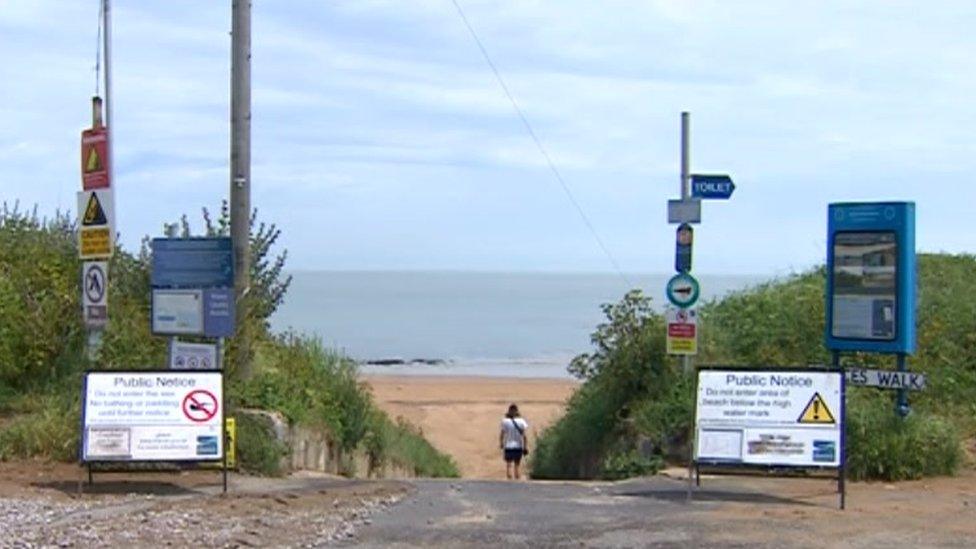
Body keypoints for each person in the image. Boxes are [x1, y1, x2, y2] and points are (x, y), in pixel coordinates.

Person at [499, 403, 529, 480]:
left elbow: (502, 434)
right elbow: (524, 436)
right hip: (518, 446)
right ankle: (517, 480)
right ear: (517, 411)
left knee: (509, 465)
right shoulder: (522, 421)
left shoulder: (505, 421)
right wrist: (525, 446)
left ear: (509, 411)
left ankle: (509, 479)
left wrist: (501, 443)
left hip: (508, 445)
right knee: (517, 465)